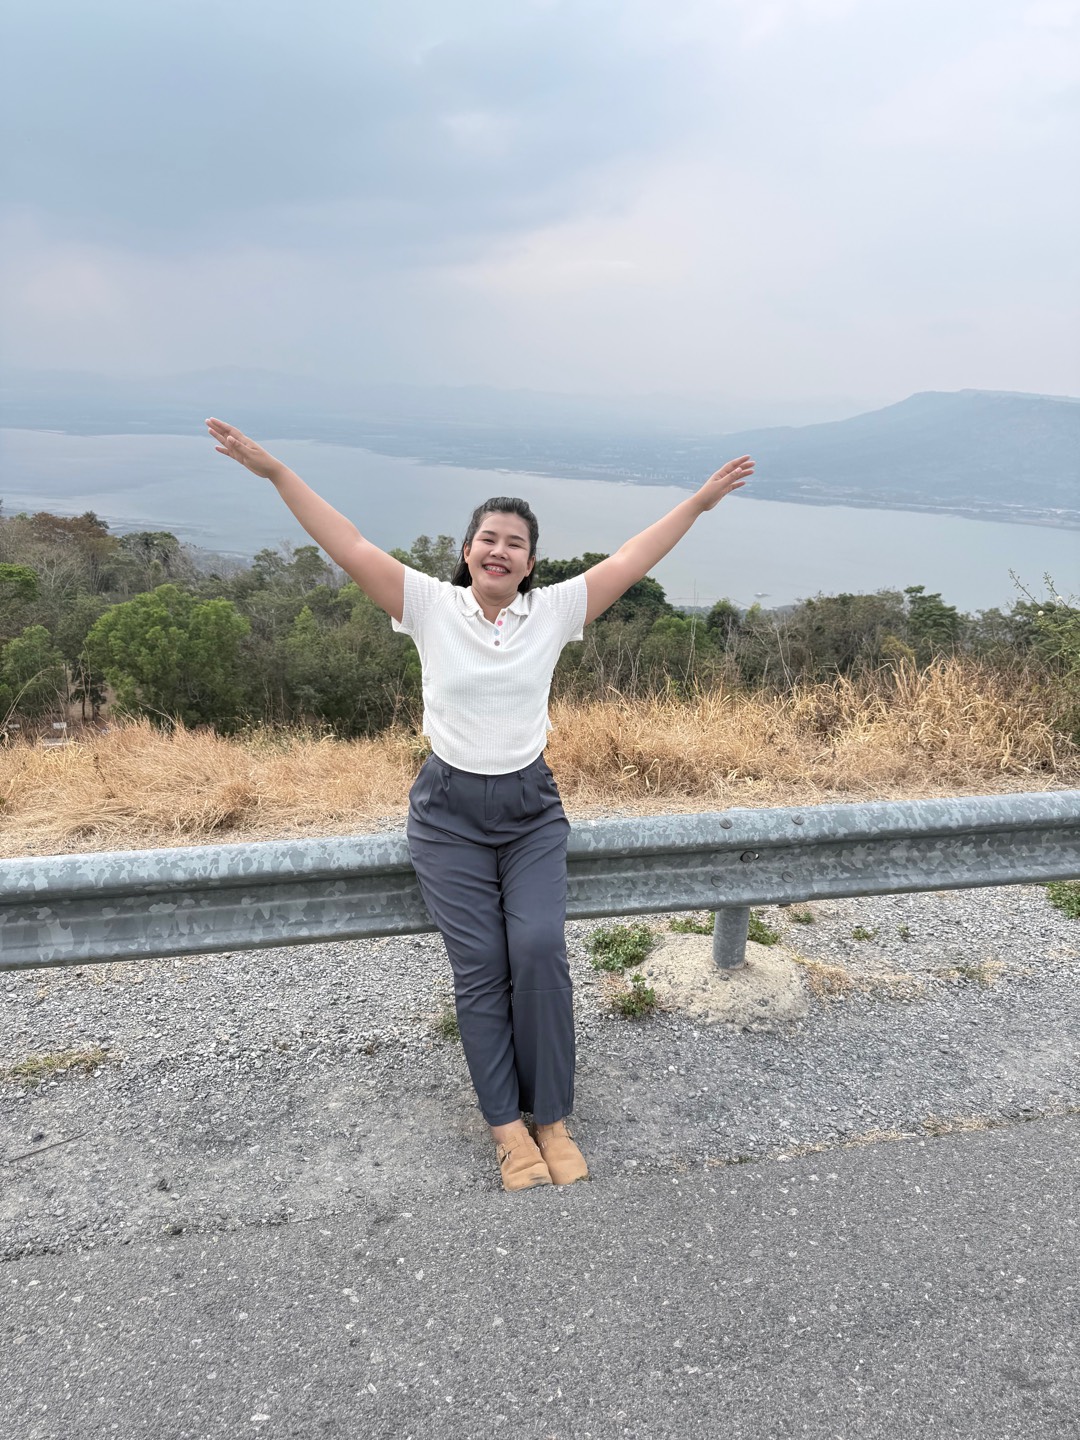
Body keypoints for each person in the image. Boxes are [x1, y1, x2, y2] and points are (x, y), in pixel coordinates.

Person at [206, 417, 753, 1192]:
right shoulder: (429, 606)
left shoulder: (553, 614)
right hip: (449, 815)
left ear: (530, 564)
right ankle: (506, 1129)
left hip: (530, 811)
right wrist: (275, 473)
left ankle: (552, 1117)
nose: (500, 550)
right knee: (481, 966)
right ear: (467, 550)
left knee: (537, 949)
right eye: (488, 538)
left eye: (515, 544)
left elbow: (631, 558)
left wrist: (697, 503)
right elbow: (348, 543)